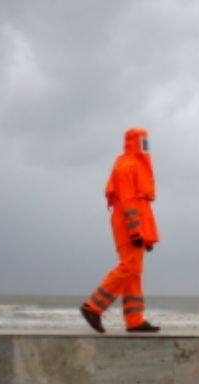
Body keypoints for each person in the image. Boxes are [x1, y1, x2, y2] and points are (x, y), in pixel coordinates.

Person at [80, 128, 160, 333]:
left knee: (134, 272)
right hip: (127, 223)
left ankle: (134, 320)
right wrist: (135, 231)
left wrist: (147, 237)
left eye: (147, 142)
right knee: (129, 268)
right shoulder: (126, 166)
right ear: (134, 142)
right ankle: (93, 307)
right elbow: (127, 201)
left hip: (135, 224)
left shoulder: (137, 165)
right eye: (143, 142)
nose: (146, 146)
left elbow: (141, 206)